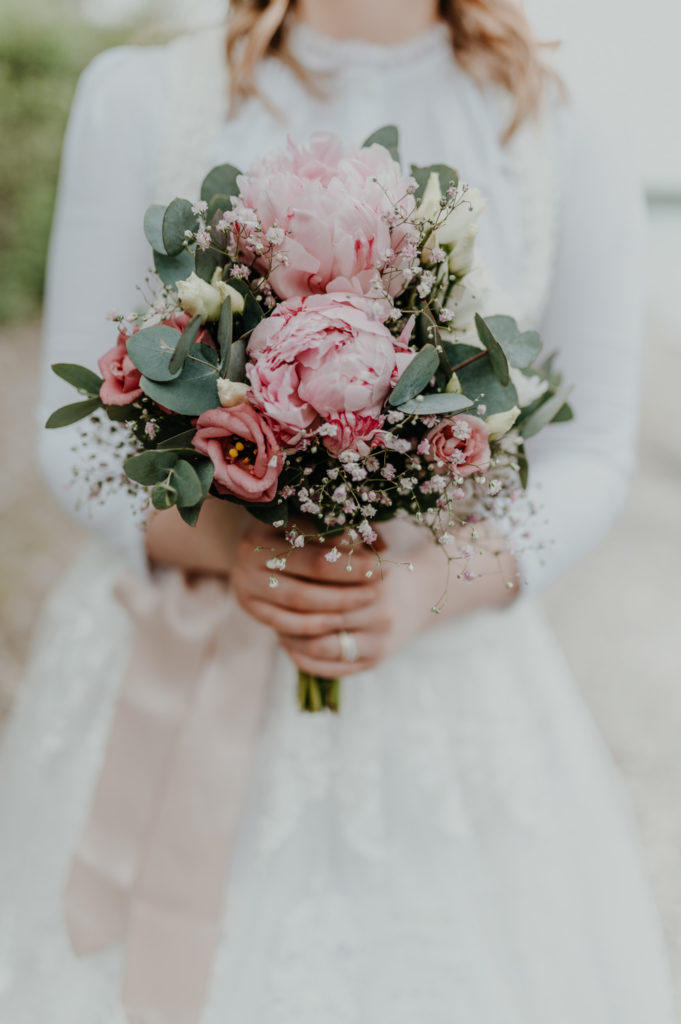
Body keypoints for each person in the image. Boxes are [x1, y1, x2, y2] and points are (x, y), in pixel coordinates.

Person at [0, 0, 676, 1020]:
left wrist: (423, 588)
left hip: (443, 686)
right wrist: (231, 545)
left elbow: (590, 452)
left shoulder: (554, 128)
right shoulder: (142, 97)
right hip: (170, 653)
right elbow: (78, 435)